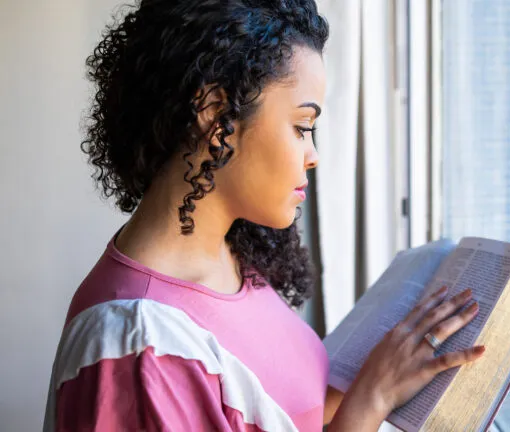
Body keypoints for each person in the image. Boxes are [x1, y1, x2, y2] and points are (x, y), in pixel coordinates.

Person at [43, 1, 485, 430]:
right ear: (215, 113)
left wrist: (384, 379)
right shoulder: (137, 344)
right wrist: (371, 399)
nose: (312, 155)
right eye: (301, 127)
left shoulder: (231, 258)